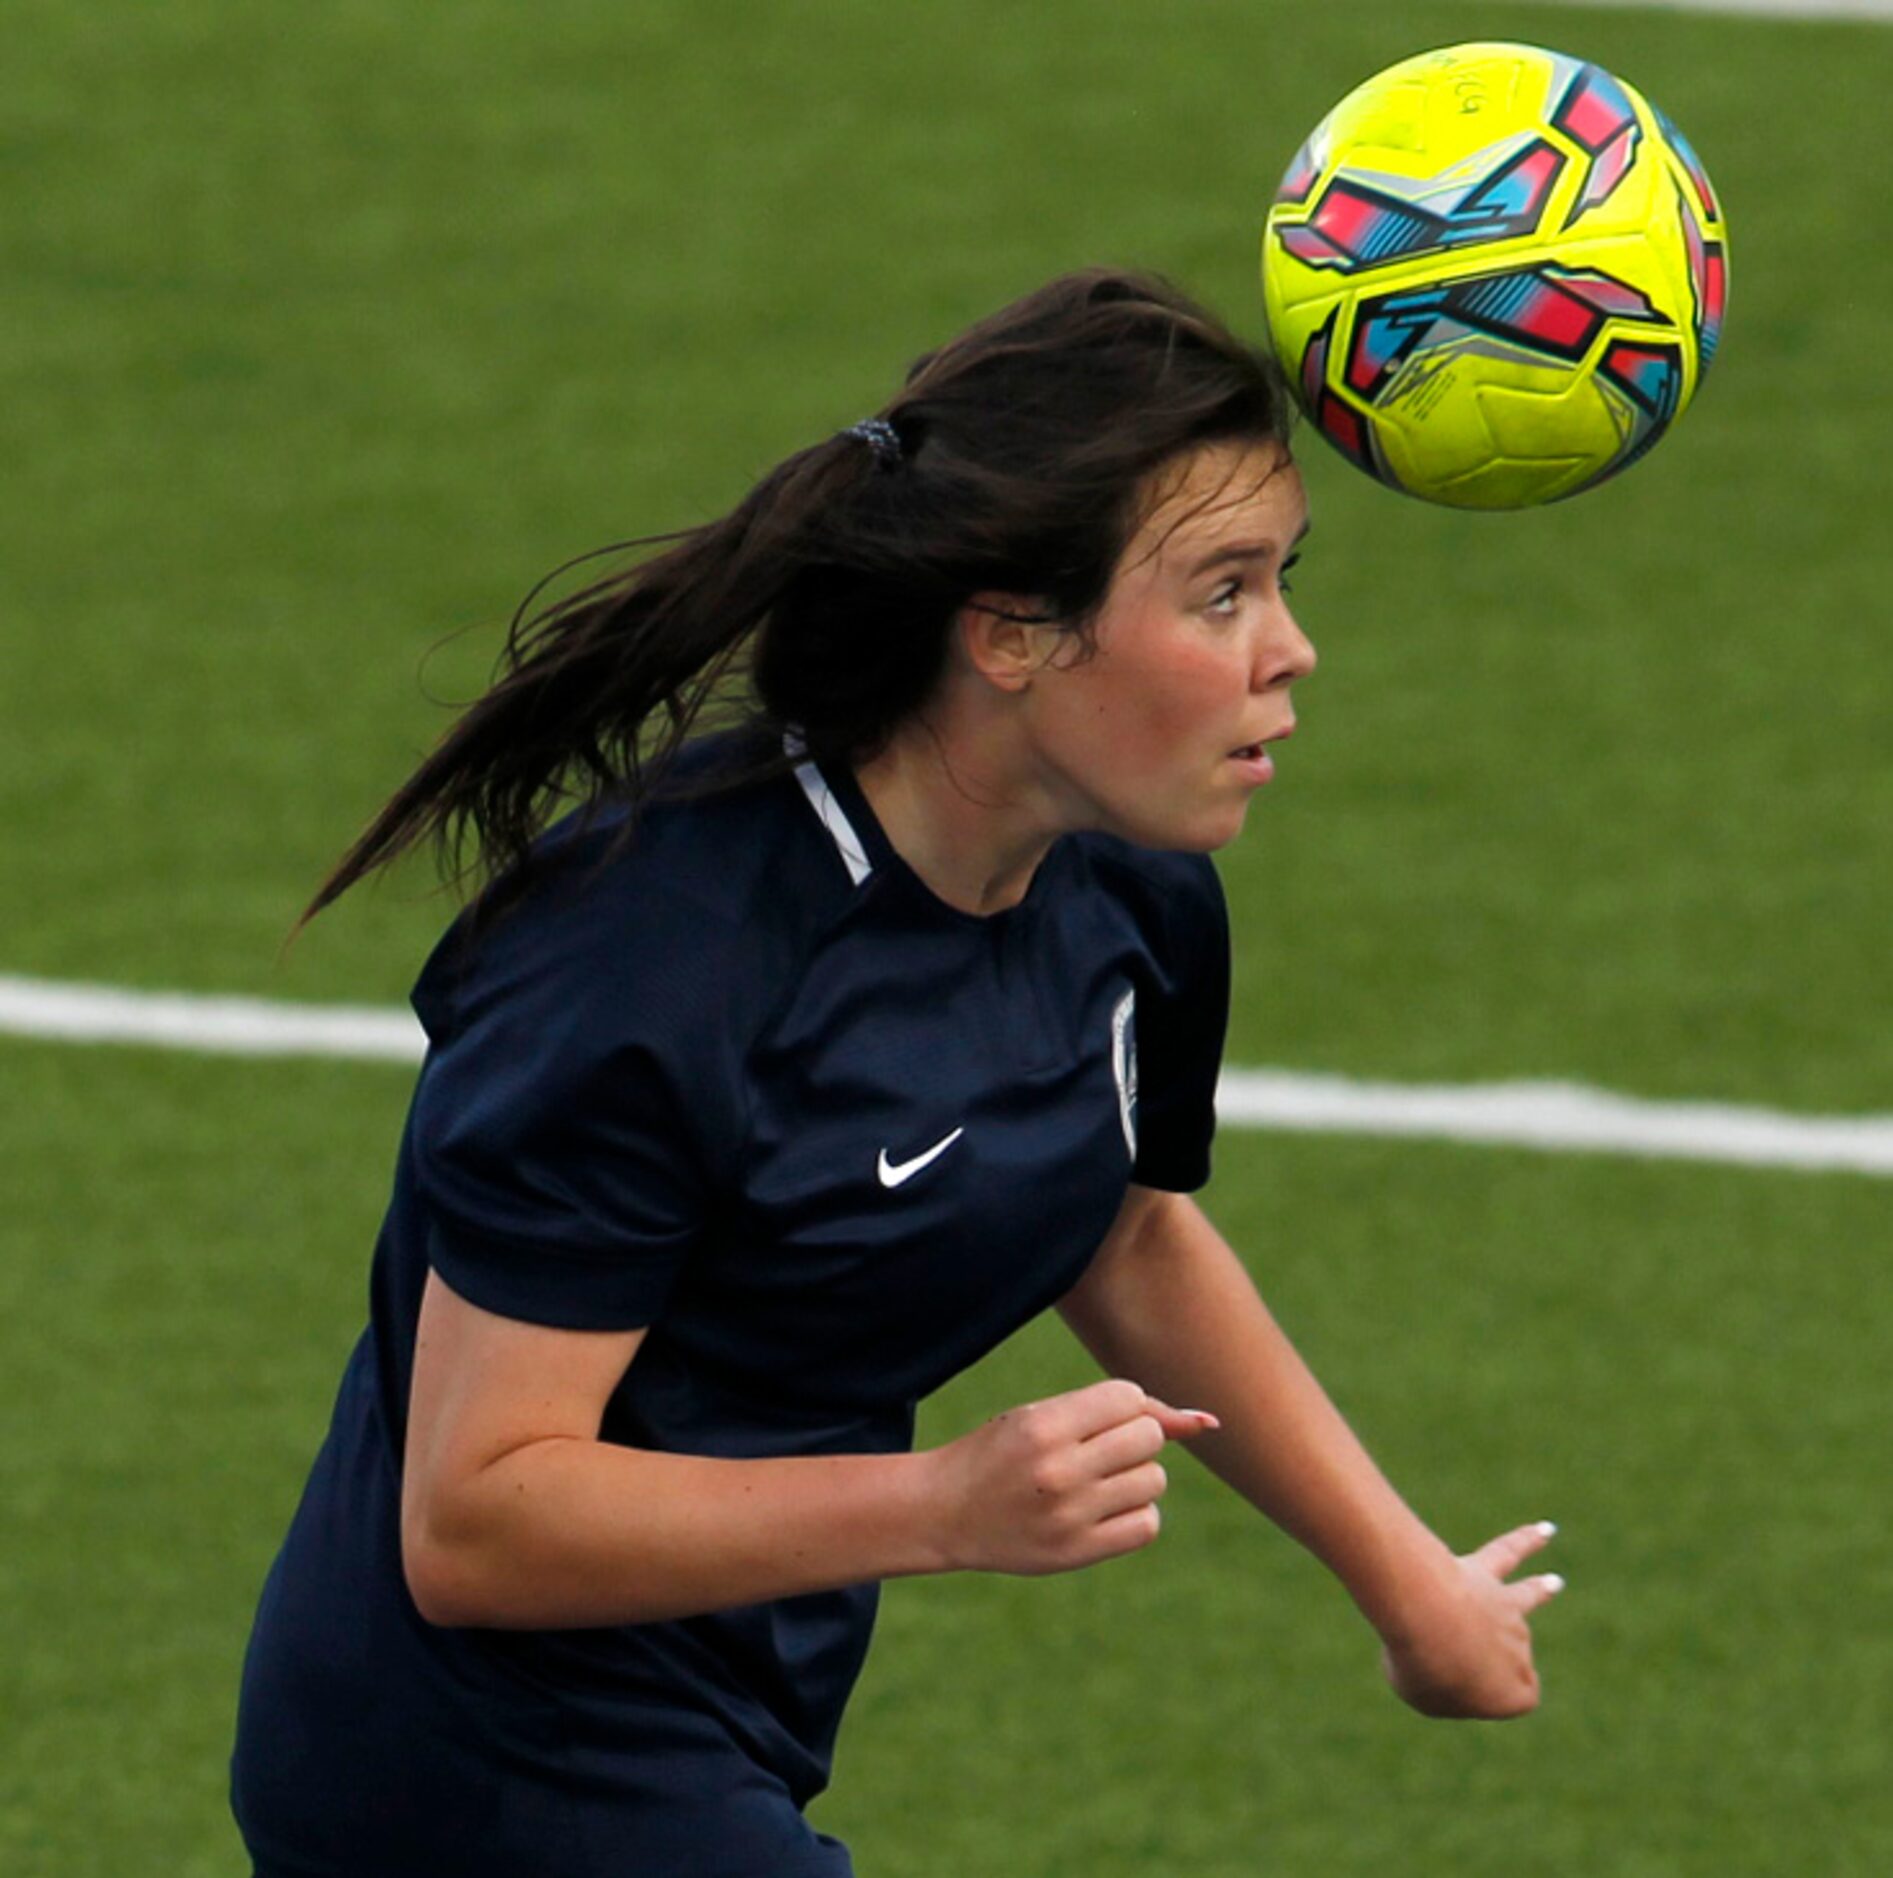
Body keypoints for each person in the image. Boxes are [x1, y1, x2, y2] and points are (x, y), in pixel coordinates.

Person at [231, 269, 1563, 1877]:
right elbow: (474, 1517)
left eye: (1280, 581)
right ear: (1009, 634)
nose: (1290, 650)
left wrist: (1408, 1581)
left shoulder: (1126, 893)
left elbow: (1120, 1226)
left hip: (729, 1714)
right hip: (470, 1761)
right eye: (1220, 593)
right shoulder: (649, 963)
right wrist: (946, 1501)